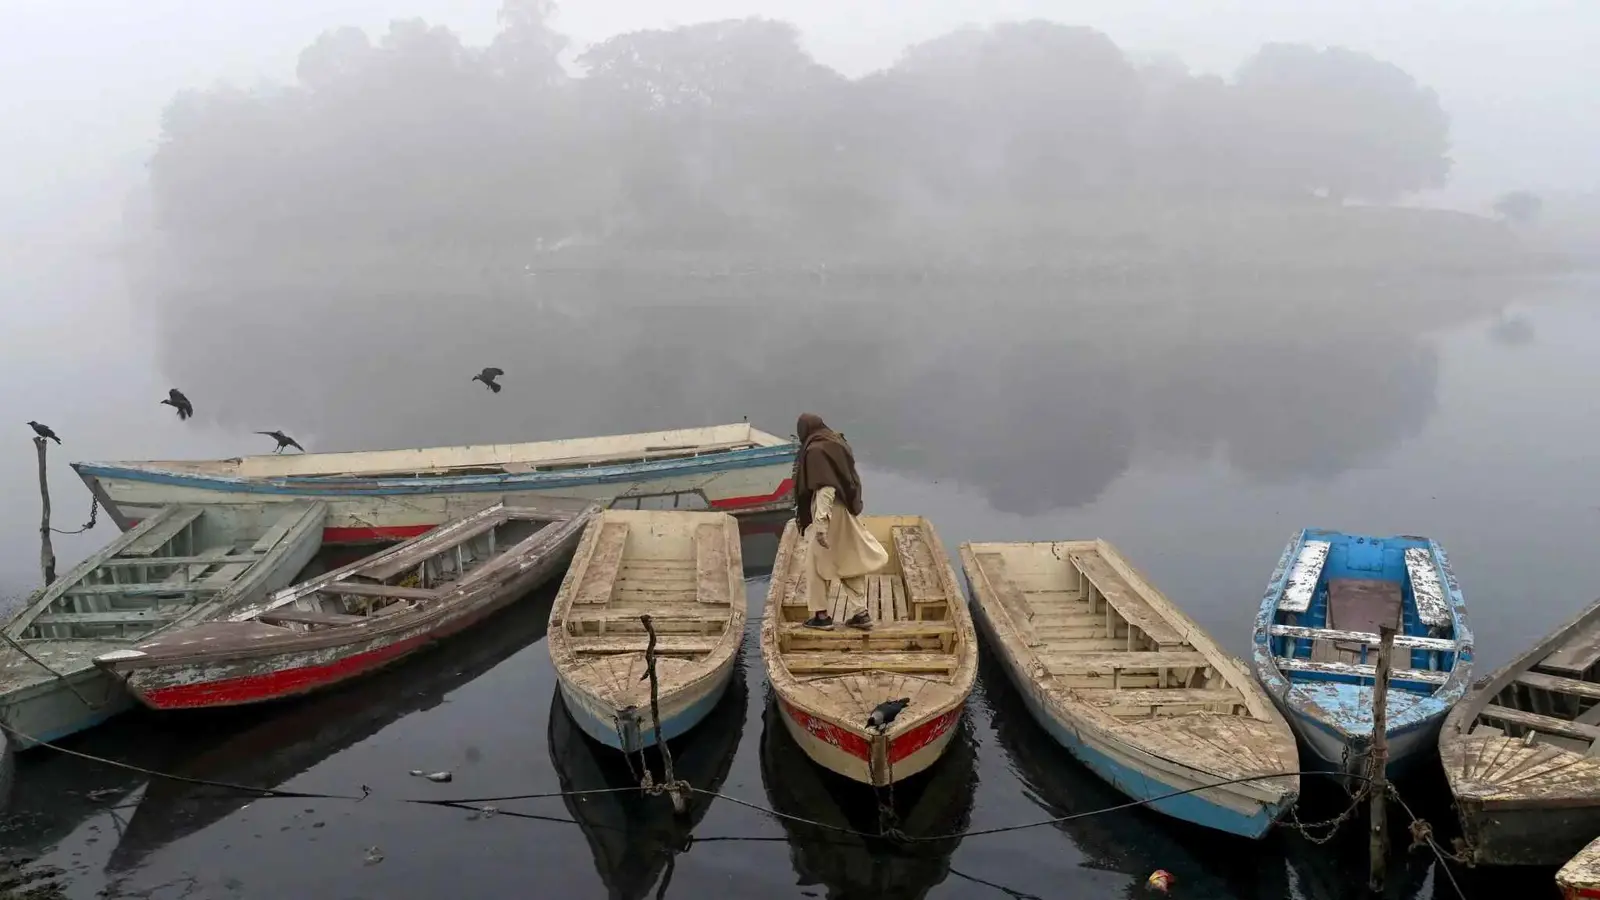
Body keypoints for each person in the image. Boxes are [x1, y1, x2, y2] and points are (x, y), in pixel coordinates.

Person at [793, 413, 888, 629]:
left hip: (828, 513)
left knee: (815, 565)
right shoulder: (835, 441)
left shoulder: (815, 450)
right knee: (847, 559)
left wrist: (820, 526)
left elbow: (826, 488)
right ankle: (861, 613)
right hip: (844, 510)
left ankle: (821, 616)